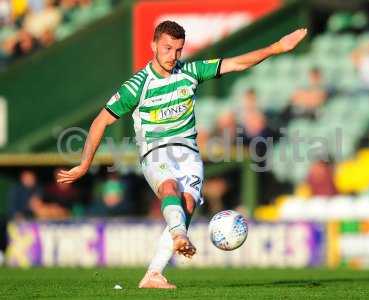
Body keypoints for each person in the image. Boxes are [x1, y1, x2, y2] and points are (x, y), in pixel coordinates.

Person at [56, 21, 307, 288]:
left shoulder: (189, 72)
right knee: (169, 188)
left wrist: (277, 47)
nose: (173, 55)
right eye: (167, 48)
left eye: (178, 49)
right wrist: (84, 164)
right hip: (155, 152)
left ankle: (153, 274)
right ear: (153, 46)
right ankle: (179, 237)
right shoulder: (137, 86)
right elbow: (100, 122)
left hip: (189, 153)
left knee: (187, 204)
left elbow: (236, 64)